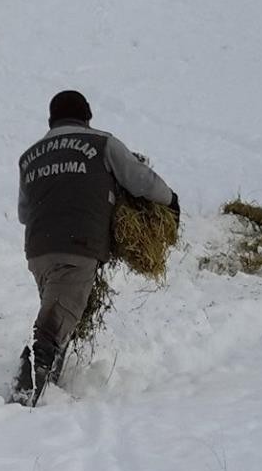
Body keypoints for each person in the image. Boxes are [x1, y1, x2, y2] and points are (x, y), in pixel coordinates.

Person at [11, 89, 177, 406]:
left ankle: (48, 380)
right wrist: (171, 200)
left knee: (59, 314)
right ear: (87, 117)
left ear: (51, 120)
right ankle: (22, 399)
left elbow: (23, 213)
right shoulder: (102, 143)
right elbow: (139, 180)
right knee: (51, 328)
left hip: (38, 251)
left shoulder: (29, 156)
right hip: (78, 245)